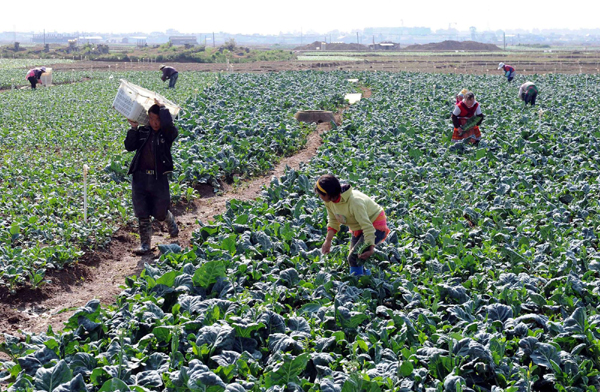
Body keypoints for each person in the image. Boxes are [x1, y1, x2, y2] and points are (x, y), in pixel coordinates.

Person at [124, 98, 179, 254]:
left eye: (158, 119)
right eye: (152, 119)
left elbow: (169, 126)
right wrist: (133, 128)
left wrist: (162, 108)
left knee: (160, 212)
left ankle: (169, 219)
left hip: (158, 178)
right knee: (142, 212)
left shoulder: (167, 135)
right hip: (140, 177)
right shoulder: (142, 132)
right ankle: (145, 244)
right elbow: (129, 146)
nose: (155, 123)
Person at [316, 174, 390, 276]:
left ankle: (357, 285)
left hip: (374, 224)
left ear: (328, 193)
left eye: (321, 195)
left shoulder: (355, 202)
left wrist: (370, 248)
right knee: (355, 255)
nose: (320, 197)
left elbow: (367, 227)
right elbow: (333, 221)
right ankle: (366, 277)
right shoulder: (329, 201)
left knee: (353, 257)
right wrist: (328, 241)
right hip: (358, 225)